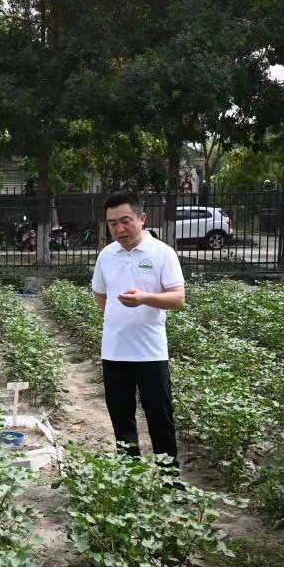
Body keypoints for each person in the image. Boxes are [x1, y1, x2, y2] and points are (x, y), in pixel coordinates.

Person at [91, 191, 185, 462]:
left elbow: (178, 297)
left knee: (160, 417)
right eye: (112, 223)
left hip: (151, 353)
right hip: (114, 352)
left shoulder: (162, 253)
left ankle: (170, 481)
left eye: (125, 221)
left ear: (142, 218)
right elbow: (100, 294)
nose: (119, 229)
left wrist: (144, 299)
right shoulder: (106, 256)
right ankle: (129, 478)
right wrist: (117, 317)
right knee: (121, 419)